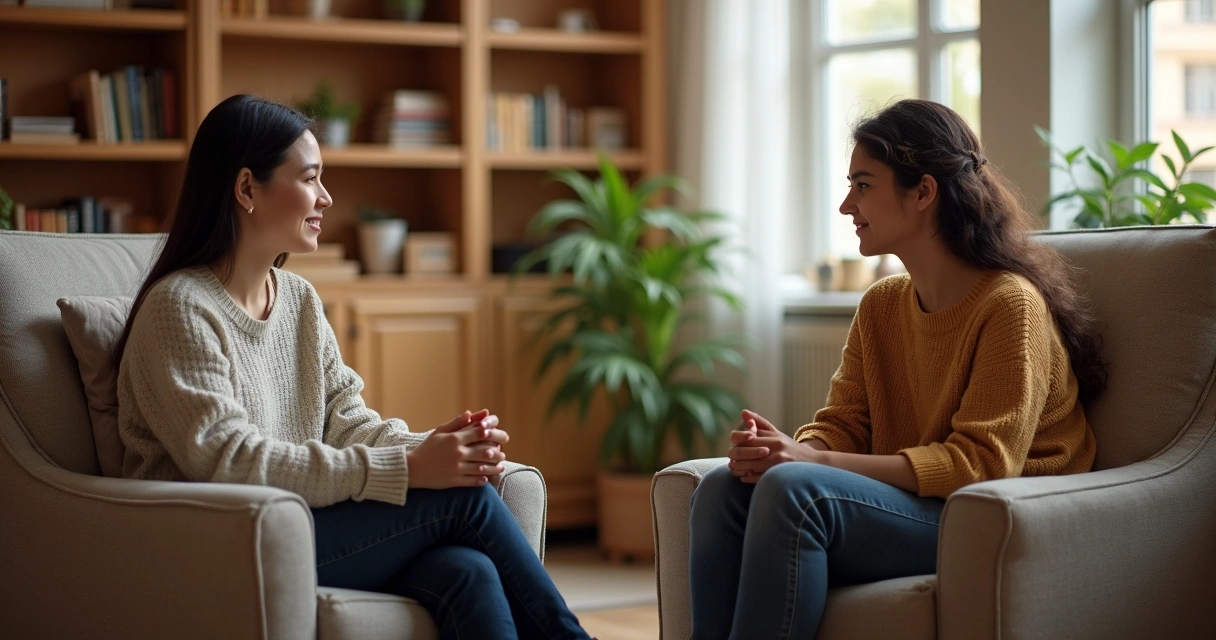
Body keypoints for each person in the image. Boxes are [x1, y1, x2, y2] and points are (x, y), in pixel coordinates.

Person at [114, 94, 590, 640]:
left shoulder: (297, 300)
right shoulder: (179, 308)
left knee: (470, 571)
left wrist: (436, 447)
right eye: (311, 178)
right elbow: (229, 461)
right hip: (219, 540)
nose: (326, 197)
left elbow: (348, 421)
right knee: (465, 498)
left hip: (300, 525)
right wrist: (412, 470)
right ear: (247, 188)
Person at [687, 99, 1106, 639]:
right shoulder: (882, 304)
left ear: (924, 192)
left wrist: (806, 466)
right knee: (723, 489)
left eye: (863, 185)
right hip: (924, 505)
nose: (845, 205)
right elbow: (844, 422)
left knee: (797, 493)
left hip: (998, 517)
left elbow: (979, 465)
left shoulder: (1010, 306)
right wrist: (787, 451)